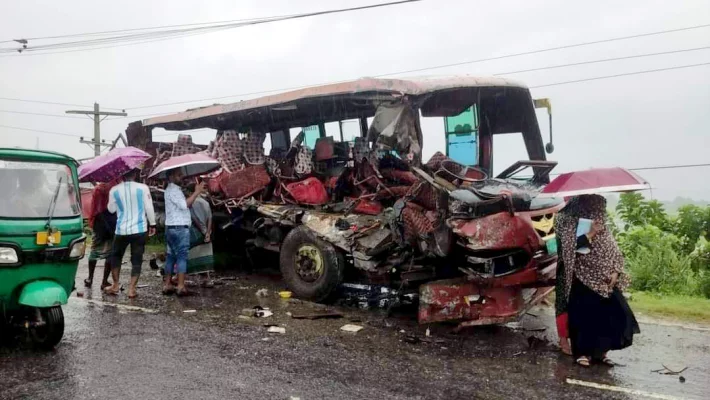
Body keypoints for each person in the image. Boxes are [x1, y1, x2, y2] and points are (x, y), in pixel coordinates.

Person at [554, 194, 640, 367]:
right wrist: (591, 233)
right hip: (582, 278)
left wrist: (616, 271)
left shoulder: (604, 225)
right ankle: (583, 354)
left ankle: (601, 353)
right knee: (585, 318)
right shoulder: (570, 224)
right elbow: (569, 251)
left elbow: (613, 250)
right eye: (595, 208)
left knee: (615, 315)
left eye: (601, 208)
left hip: (605, 281)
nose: (599, 212)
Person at [105, 169, 156, 298]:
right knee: (136, 259)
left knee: (116, 257)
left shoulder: (114, 190)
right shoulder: (143, 188)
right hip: (139, 230)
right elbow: (149, 207)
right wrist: (153, 224)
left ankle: (115, 285)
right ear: (134, 175)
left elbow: (111, 210)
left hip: (121, 230)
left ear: (121, 176)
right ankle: (132, 290)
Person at [162, 169, 205, 296]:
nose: (181, 177)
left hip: (171, 227)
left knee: (170, 256)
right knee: (182, 257)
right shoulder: (174, 190)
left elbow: (181, 206)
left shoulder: (170, 190)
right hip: (180, 228)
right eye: (178, 175)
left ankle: (167, 284)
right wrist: (197, 192)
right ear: (171, 176)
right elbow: (184, 205)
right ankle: (180, 286)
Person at [85, 180, 119, 289]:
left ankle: (90, 278)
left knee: (94, 250)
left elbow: (97, 208)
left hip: (99, 223)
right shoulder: (115, 188)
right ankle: (104, 281)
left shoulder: (98, 189)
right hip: (112, 222)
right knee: (110, 252)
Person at [188, 188, 215, 288]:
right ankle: (207, 279)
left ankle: (198, 277)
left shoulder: (190, 203)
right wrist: (208, 232)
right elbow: (210, 218)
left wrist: (202, 231)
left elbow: (194, 218)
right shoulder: (205, 203)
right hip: (206, 232)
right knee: (205, 255)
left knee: (194, 254)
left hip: (197, 232)